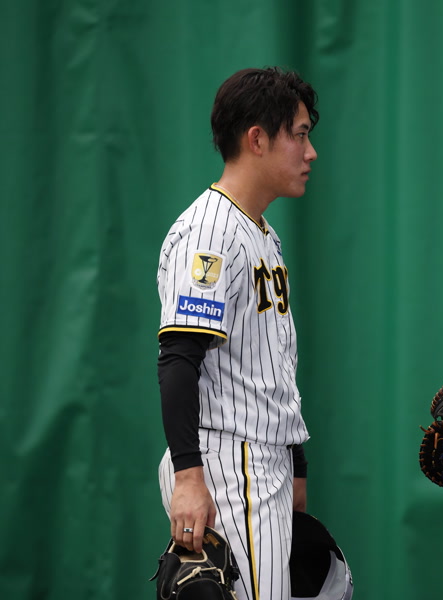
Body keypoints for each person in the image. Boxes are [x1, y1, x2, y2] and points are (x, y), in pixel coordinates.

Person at [156, 66, 318, 600]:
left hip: (259, 458)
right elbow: (179, 357)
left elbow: (271, 364)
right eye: (299, 135)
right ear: (257, 139)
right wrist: (188, 477)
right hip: (228, 462)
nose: (310, 152)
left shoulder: (261, 231)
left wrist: (295, 463)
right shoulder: (210, 232)